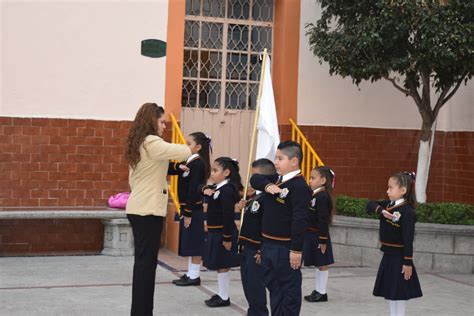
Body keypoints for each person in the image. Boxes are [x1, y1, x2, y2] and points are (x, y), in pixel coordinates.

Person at [125, 103, 191, 316]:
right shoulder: (152, 141)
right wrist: (193, 146)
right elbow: (180, 151)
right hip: (148, 211)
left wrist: (174, 168)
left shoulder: (139, 143)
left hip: (139, 209)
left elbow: (154, 166)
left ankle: (141, 311)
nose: (164, 126)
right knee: (146, 266)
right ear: (152, 121)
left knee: (143, 264)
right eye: (162, 122)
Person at [250, 141, 311, 316]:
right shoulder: (277, 180)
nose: (275, 162)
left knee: (289, 294)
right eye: (276, 158)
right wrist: (268, 186)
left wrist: (296, 250)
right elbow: (255, 179)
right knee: (275, 291)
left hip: (286, 249)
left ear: (294, 161)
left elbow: (300, 220)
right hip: (269, 246)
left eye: (280, 158)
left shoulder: (299, 186)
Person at [366, 172, 423, 316]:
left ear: (403, 191)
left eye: (391, 188)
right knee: (391, 291)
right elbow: (370, 204)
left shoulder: (407, 211)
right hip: (388, 255)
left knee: (400, 292)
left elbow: (408, 239)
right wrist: (381, 211)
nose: (387, 191)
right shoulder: (388, 205)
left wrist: (407, 262)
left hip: (400, 257)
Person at [169, 132, 212, 286]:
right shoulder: (189, 162)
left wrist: (188, 212)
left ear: (198, 147)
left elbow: (194, 190)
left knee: (194, 243)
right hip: (187, 207)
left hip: (193, 209)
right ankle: (189, 273)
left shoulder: (198, 164)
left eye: (189, 144)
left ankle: (194, 276)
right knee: (189, 242)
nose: (185, 146)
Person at [237, 158, 278, 316]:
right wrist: (245, 207)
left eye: (254, 176)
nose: (251, 179)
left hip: (256, 251)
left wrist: (261, 250)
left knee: (255, 288)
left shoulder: (269, 199)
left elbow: (267, 226)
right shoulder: (258, 197)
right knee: (248, 286)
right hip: (247, 249)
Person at [202, 157, 242, 307]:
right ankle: (222, 294)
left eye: (215, 170)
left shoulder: (227, 190)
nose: (212, 174)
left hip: (222, 233)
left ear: (226, 172)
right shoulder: (218, 188)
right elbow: (200, 187)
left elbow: (228, 215)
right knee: (220, 264)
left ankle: (224, 297)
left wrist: (227, 237)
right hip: (215, 233)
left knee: (222, 263)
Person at [303, 166, 336, 303]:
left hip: (318, 235)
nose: (310, 181)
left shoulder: (322, 196)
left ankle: (322, 292)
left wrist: (322, 240)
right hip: (311, 234)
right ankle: (318, 290)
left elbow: (323, 219)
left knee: (322, 263)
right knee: (318, 263)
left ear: (323, 180)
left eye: (313, 178)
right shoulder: (315, 194)